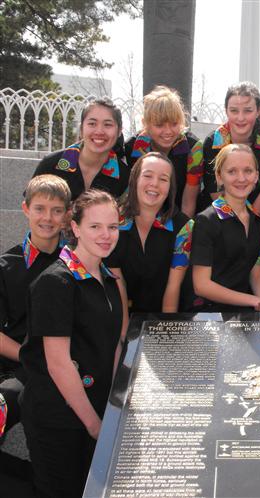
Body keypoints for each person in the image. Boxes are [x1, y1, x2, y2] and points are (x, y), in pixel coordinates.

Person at [20, 189, 125, 497]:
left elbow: (114, 344)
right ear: (75, 228)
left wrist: (114, 406)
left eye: (113, 227)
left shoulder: (109, 279)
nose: (106, 235)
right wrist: (95, 425)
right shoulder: (56, 281)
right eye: (95, 227)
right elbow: (58, 362)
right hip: (58, 418)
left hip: (95, 409)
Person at [0, 175, 70, 480]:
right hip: (16, 366)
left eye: (56, 210)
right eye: (40, 208)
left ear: (68, 216)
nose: (48, 218)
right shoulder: (7, 265)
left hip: (56, 370)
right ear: (25, 209)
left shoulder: (75, 264)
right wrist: (30, 356)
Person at [191, 144, 260, 313]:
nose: (241, 178)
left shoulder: (258, 223)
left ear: (257, 176)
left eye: (248, 171)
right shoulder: (206, 221)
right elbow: (201, 286)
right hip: (209, 318)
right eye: (232, 171)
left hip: (242, 316)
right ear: (219, 177)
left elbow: (256, 276)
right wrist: (256, 300)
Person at [106, 152, 194, 313]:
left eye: (163, 179)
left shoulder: (184, 227)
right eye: (148, 176)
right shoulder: (112, 222)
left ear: (170, 186)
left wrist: (165, 330)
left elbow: (173, 287)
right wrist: (124, 333)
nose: (155, 184)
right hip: (122, 313)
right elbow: (118, 285)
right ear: (135, 179)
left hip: (168, 315)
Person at [199, 82, 260, 216]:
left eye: (248, 111)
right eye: (234, 111)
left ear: (258, 111)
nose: (240, 118)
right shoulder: (212, 143)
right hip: (217, 216)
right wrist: (236, 224)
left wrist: (252, 224)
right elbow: (214, 191)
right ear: (226, 110)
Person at [124, 85, 201, 217]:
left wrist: (183, 232)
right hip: (140, 216)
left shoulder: (193, 148)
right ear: (145, 123)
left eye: (174, 124)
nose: (168, 131)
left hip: (177, 216)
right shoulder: (131, 147)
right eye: (159, 125)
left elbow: (189, 200)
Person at [32, 98, 129, 201]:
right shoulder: (51, 165)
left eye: (108, 125)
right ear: (81, 129)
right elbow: (33, 208)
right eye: (92, 124)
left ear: (119, 131)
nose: (99, 131)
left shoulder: (124, 176)